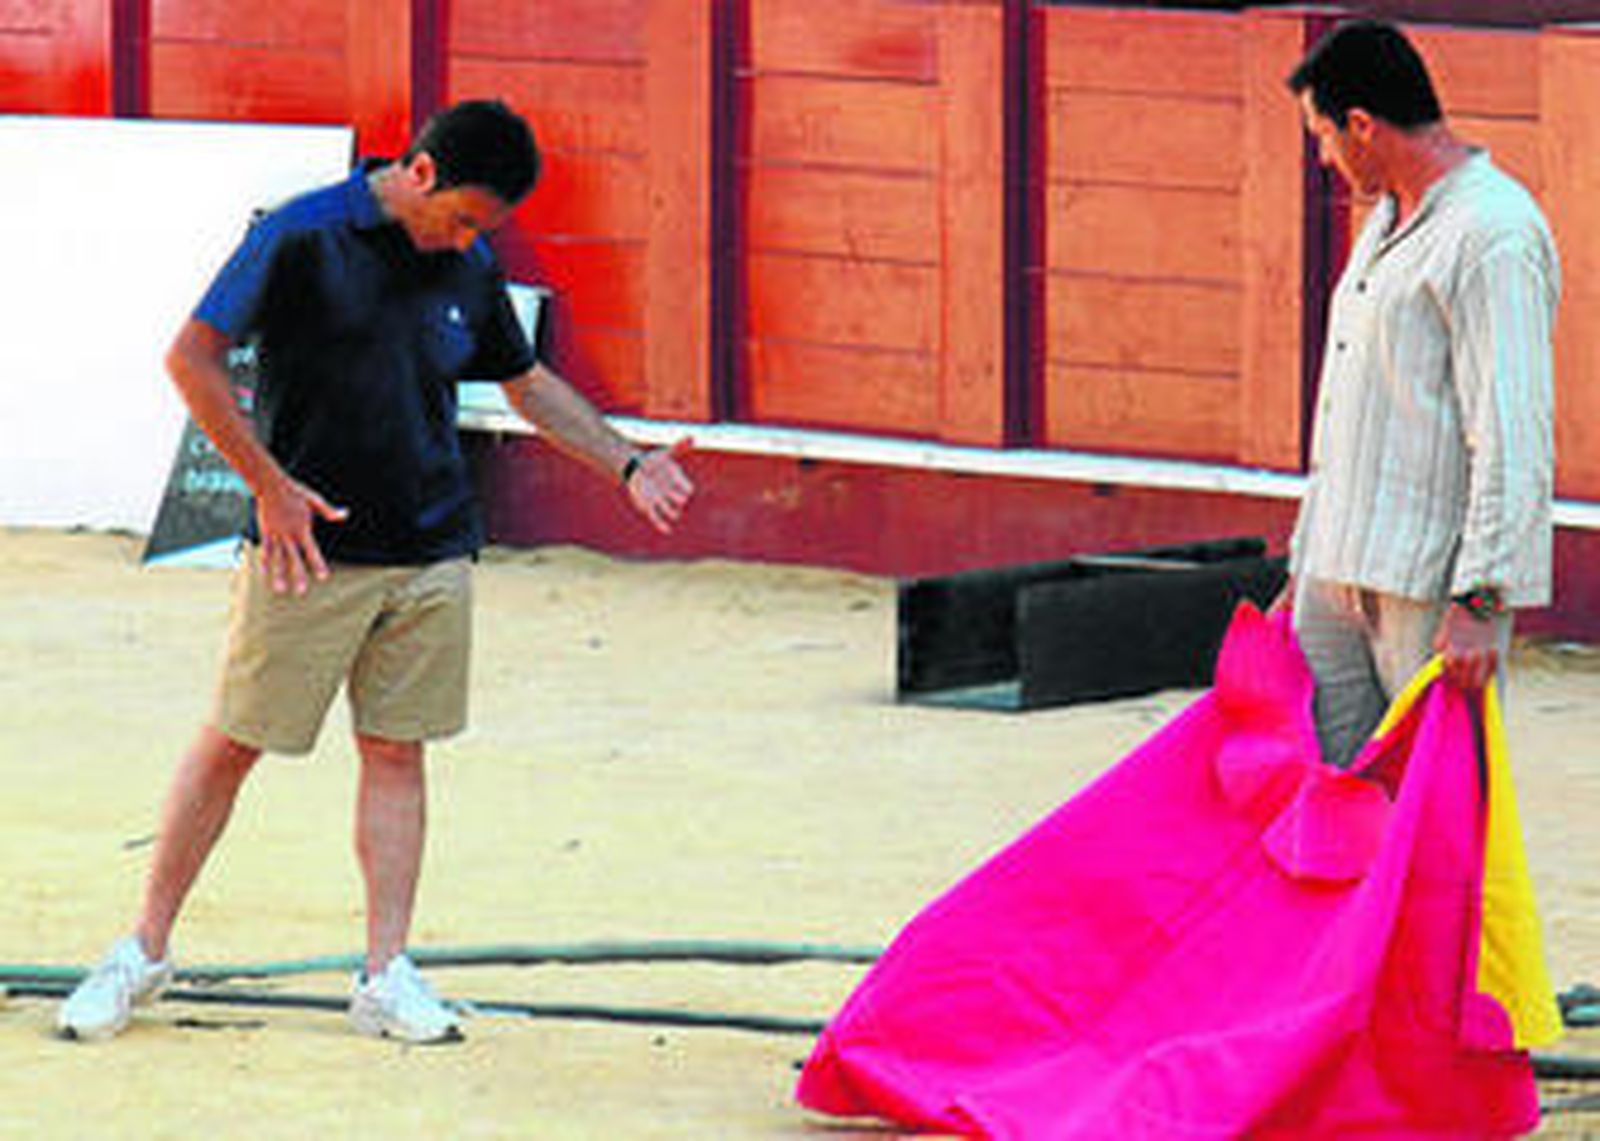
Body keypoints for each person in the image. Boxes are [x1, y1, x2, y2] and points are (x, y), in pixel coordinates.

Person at [57, 100, 694, 1043]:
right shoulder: (300, 234)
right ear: (424, 173)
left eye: (488, 228)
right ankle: (143, 949)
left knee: (398, 751)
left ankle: (385, 973)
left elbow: (525, 385)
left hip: (431, 547)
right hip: (307, 548)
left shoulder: (468, 263)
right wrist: (267, 486)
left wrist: (629, 461)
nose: (472, 241)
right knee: (234, 740)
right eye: (467, 217)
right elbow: (191, 357)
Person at [1276, 19, 1559, 771]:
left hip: (1428, 588)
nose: (1324, 157)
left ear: (1362, 125)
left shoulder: (1492, 231)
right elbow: (1347, 410)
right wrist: (1302, 564)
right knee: (1329, 810)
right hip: (1336, 571)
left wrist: (1483, 601)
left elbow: (1511, 430)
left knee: (1437, 817)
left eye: (1324, 136)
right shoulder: (1385, 223)